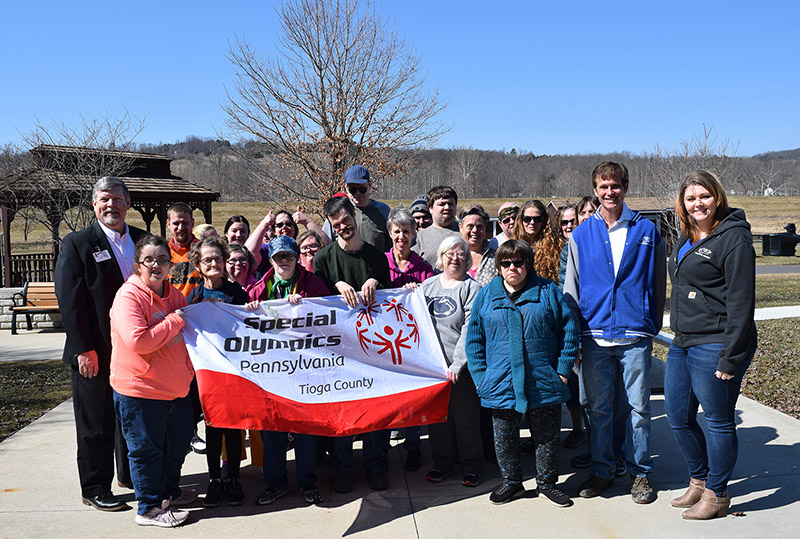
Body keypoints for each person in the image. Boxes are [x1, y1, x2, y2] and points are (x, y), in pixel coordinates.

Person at [563, 161, 666, 504]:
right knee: (599, 410)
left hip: (634, 334)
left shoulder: (645, 230)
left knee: (639, 409)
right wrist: (575, 334)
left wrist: (651, 323)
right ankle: (602, 470)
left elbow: (657, 281)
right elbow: (571, 288)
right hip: (594, 334)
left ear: (626, 187)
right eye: (603, 186)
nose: (610, 192)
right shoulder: (581, 234)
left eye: (616, 185)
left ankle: (640, 474)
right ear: (595, 190)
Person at [664, 171, 757, 520]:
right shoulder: (687, 238)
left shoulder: (733, 238)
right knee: (678, 416)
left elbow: (742, 303)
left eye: (704, 196)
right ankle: (699, 480)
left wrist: (731, 357)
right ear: (683, 204)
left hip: (717, 342)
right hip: (684, 341)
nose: (698, 203)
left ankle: (718, 494)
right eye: (691, 198)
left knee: (718, 420)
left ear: (717, 197)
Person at [54, 176, 147, 512]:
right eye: (104, 199)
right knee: (96, 422)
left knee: (130, 417)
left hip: (135, 351)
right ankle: (94, 486)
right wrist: (83, 348)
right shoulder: (77, 243)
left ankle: (128, 475)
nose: (111, 205)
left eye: (117, 199)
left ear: (128, 202)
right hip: (95, 351)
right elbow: (70, 300)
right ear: (94, 204)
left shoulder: (142, 240)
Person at [467, 240, 579, 507]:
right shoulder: (486, 296)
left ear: (528, 264)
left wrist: (562, 370)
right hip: (500, 380)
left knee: (547, 436)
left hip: (542, 380)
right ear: (499, 266)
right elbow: (474, 340)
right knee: (504, 436)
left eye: (519, 262)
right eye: (506, 263)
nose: (512, 268)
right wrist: (481, 377)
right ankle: (512, 483)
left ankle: (548, 483)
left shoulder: (548, 291)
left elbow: (569, 333)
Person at [109, 235, 196, 527]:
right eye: (150, 260)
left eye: (162, 259)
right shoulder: (128, 296)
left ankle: (167, 494)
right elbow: (139, 341)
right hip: (140, 390)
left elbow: (190, 329)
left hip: (175, 388)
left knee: (177, 446)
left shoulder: (175, 296)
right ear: (137, 265)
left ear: (170, 264)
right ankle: (148, 508)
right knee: (146, 450)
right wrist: (175, 320)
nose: (156, 265)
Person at [313, 195, 392, 493]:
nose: (343, 226)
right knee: (344, 412)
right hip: (339, 350)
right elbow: (316, 304)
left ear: (354, 218)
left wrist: (376, 283)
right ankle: (344, 467)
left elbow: (394, 301)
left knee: (373, 411)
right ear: (331, 228)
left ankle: (376, 466)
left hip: (372, 348)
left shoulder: (376, 257)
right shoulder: (323, 260)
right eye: (337, 224)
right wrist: (336, 286)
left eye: (346, 220)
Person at [247, 236, 329, 506]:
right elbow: (244, 324)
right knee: (272, 429)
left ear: (297, 258)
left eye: (289, 256)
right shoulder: (259, 287)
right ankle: (276, 483)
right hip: (272, 372)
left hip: (305, 368)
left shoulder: (311, 284)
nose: (284, 261)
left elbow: (330, 317)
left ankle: (308, 481)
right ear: (270, 260)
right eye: (278, 257)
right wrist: (250, 309)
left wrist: (306, 305)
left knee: (305, 429)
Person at [186, 237, 251, 508]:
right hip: (207, 373)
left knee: (233, 429)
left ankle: (233, 477)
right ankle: (215, 479)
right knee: (212, 428)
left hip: (233, 372)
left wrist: (252, 311)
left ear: (225, 261)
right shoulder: (194, 296)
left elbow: (250, 326)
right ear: (198, 265)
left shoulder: (237, 293)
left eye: (218, 258)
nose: (213, 263)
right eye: (207, 260)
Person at [420, 236, 484, 488]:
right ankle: (443, 463)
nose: (455, 259)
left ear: (467, 259)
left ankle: (471, 466)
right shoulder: (427, 287)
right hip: (434, 371)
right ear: (441, 257)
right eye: (450, 254)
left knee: (466, 421)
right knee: (439, 422)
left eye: (460, 254)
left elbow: (471, 330)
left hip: (462, 371)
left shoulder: (472, 289)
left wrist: (457, 365)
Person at [384, 207, 434, 471]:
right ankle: (382, 445)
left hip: (412, 342)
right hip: (382, 339)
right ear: (389, 234)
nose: (401, 236)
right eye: (396, 232)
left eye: (406, 231)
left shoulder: (424, 269)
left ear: (414, 235)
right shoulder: (380, 263)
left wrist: (420, 292)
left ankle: (413, 446)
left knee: (412, 399)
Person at [165, 202, 205, 454]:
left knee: (198, 384)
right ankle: (185, 433)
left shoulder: (201, 250)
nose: (181, 227)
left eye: (185, 222)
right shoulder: (162, 252)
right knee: (176, 384)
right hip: (171, 325)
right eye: (176, 222)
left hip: (198, 326)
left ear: (192, 223)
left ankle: (194, 429)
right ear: (168, 224)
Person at [322, 165, 391, 251]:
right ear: (346, 188)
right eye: (352, 190)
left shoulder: (383, 211)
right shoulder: (338, 210)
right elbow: (325, 243)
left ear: (369, 186)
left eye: (362, 189)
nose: (358, 193)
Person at [512, 199, 561, 282]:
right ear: (521, 220)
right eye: (527, 219)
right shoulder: (512, 246)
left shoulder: (555, 246)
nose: (532, 222)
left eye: (537, 219)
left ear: (544, 221)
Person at [412, 186, 460, 267]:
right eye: (442, 204)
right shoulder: (419, 237)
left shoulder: (466, 232)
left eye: (451, 204)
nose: (447, 207)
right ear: (431, 208)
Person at [459, 205, 498, 287]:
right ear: (461, 227)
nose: (475, 230)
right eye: (470, 226)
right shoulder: (452, 256)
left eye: (479, 226)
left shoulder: (496, 257)